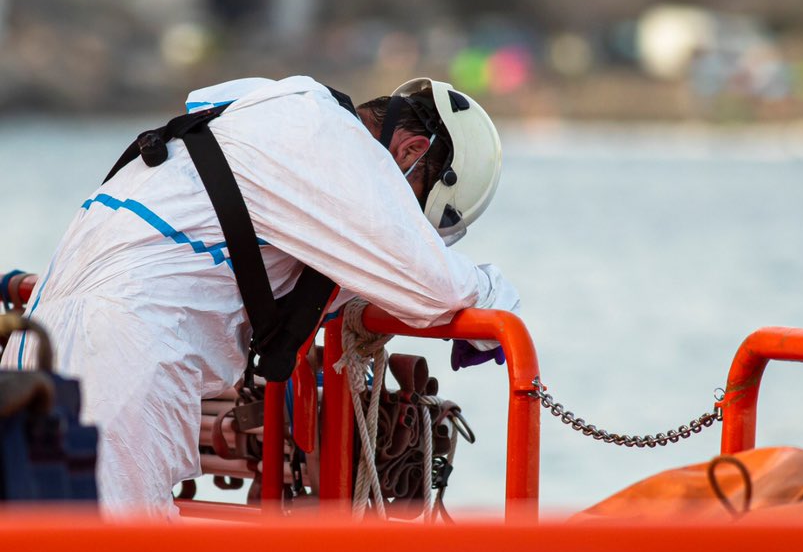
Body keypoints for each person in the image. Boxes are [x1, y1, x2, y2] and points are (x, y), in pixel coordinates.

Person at [0, 75, 520, 518]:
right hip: (117, 363)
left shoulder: (266, 122)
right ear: (411, 152)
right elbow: (431, 285)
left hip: (40, 349)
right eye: (414, 210)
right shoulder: (330, 140)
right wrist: (500, 297)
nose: (401, 221)